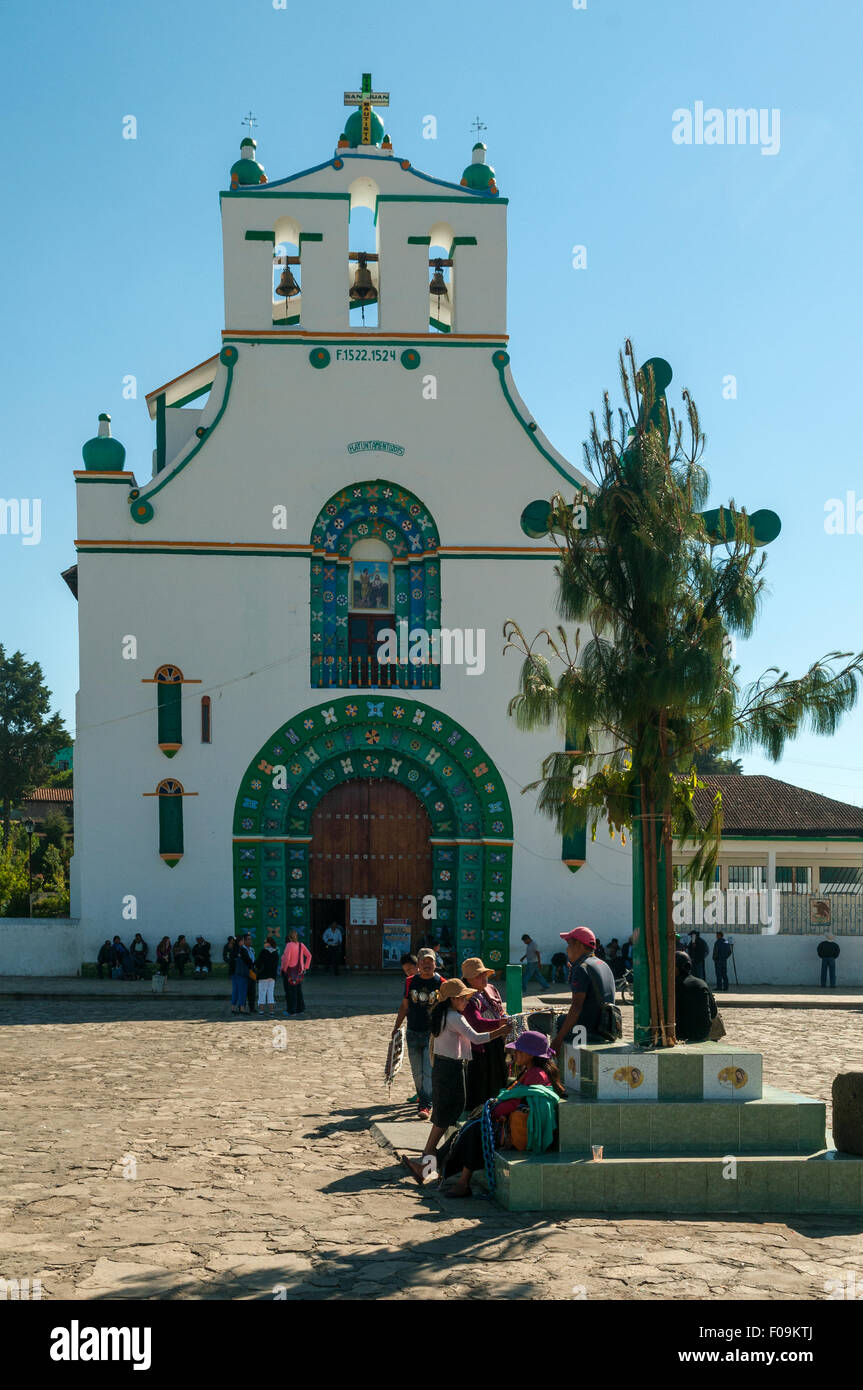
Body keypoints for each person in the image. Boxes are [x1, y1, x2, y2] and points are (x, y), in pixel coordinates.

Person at [434, 1031, 566, 1197]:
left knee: (475, 1132)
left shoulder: (536, 1075)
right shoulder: (531, 1071)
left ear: (531, 1055)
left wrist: (493, 1112)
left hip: (519, 1132)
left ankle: (460, 1181)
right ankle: (434, 1169)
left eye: (519, 1050)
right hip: (509, 1123)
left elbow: (517, 1102)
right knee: (467, 1130)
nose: (515, 1053)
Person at [404, 979, 509, 1182]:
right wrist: (500, 1032)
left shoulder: (445, 1014)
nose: (466, 1001)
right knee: (447, 1115)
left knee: (447, 1115)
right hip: (450, 1069)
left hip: (447, 1068)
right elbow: (476, 1038)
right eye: (463, 998)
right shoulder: (454, 1017)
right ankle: (430, 1159)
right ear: (453, 999)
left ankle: (431, 1162)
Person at [392, 949, 445, 1119]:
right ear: (418, 965)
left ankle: (425, 1105)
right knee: (416, 1071)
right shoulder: (410, 982)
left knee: (427, 1071)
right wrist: (396, 1026)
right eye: (423, 961)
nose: (427, 964)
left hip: (432, 1035)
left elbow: (448, 1008)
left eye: (430, 961)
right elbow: (405, 1006)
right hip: (413, 1032)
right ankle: (424, 1098)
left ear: (435, 964)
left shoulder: (442, 983)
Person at [550, 926, 617, 1052]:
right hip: (605, 1027)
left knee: (542, 1021)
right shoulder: (602, 964)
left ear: (579, 945)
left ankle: (549, 1064)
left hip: (587, 1028)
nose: (567, 949)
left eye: (569, 945)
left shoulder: (581, 968)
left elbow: (576, 1007)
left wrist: (558, 1040)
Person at [461, 957, 509, 1109]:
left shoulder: (491, 989)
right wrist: (500, 1024)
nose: (484, 978)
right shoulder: (466, 997)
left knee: (499, 1080)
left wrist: (505, 1018)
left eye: (484, 974)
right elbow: (476, 1024)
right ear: (468, 979)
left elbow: (500, 1010)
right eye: (478, 976)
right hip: (479, 1046)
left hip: (496, 1042)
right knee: (481, 1084)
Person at [675, 950, 718, 1042]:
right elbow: (714, 1013)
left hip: (679, 1034)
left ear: (676, 968)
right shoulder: (702, 983)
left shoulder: (671, 986)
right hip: (702, 1034)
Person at [281, 930, 312, 1016]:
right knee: (298, 991)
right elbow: (309, 955)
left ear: (289, 937)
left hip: (290, 971)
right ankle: (300, 1009)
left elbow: (287, 959)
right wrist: (306, 967)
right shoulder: (301, 945)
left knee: (290, 992)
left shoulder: (289, 945)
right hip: (299, 971)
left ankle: (291, 1010)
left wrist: (284, 968)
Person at [254, 936, 280, 1016]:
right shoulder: (275, 952)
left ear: (269, 943)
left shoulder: (263, 952)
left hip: (263, 975)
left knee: (262, 992)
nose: (264, 944)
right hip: (272, 976)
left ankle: (261, 1011)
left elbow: (258, 963)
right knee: (270, 992)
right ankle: (271, 1011)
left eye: (265, 942)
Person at [230, 933, 254, 1014]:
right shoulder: (242, 950)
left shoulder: (233, 949)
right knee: (242, 991)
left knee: (235, 991)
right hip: (242, 973)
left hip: (233, 974)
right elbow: (248, 961)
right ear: (240, 941)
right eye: (243, 940)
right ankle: (242, 1008)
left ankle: (233, 1008)